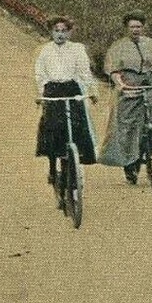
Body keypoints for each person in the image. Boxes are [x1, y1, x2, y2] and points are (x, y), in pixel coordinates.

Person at [100, 12, 152, 184]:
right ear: (127, 28)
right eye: (132, 27)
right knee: (129, 125)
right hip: (129, 86)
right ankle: (130, 163)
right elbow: (113, 70)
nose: (136, 30)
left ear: (143, 28)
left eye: (138, 26)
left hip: (148, 84)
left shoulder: (151, 44)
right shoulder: (118, 46)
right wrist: (120, 83)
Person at [35, 16, 99, 195]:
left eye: (64, 31)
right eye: (57, 31)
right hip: (52, 89)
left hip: (71, 89)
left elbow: (84, 72)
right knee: (53, 127)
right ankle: (52, 166)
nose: (60, 34)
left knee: (76, 125)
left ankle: (72, 162)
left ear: (69, 32)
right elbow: (40, 74)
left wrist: (93, 91)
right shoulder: (46, 51)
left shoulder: (78, 49)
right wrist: (41, 94)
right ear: (51, 32)